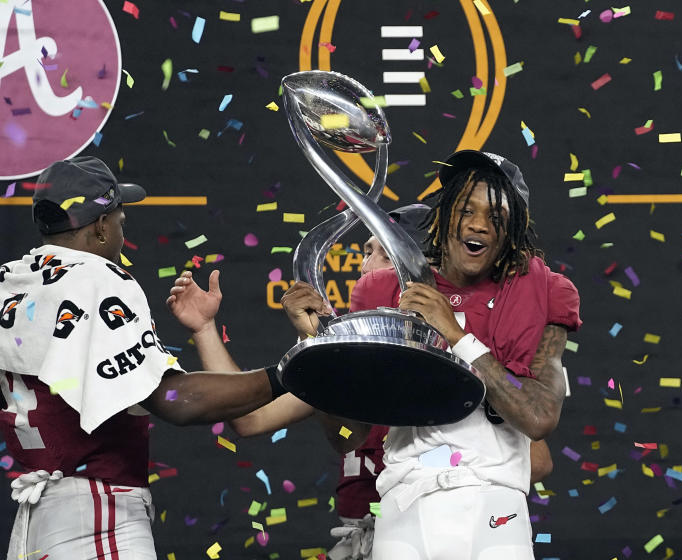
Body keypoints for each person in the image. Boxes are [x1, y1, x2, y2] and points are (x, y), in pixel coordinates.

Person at [167, 190, 561, 560]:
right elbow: (250, 419)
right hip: (372, 532)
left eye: (379, 254)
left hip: (443, 519)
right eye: (366, 250)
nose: (362, 263)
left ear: (419, 277)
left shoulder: (463, 354)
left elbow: (536, 460)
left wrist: (426, 456)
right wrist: (205, 329)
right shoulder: (355, 359)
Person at [0, 157, 287, 560]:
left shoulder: (11, 280)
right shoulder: (98, 277)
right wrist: (287, 373)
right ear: (100, 225)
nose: (121, 227)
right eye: (120, 218)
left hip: (35, 523)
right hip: (96, 517)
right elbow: (177, 401)